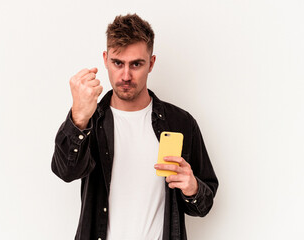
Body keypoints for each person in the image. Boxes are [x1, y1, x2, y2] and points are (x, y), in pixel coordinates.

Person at [51, 13, 218, 240]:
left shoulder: (181, 123)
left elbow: (204, 205)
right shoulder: (90, 121)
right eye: (118, 63)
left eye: (136, 64)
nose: (126, 75)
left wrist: (193, 188)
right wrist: (78, 118)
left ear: (151, 63)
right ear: (105, 59)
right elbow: (66, 172)